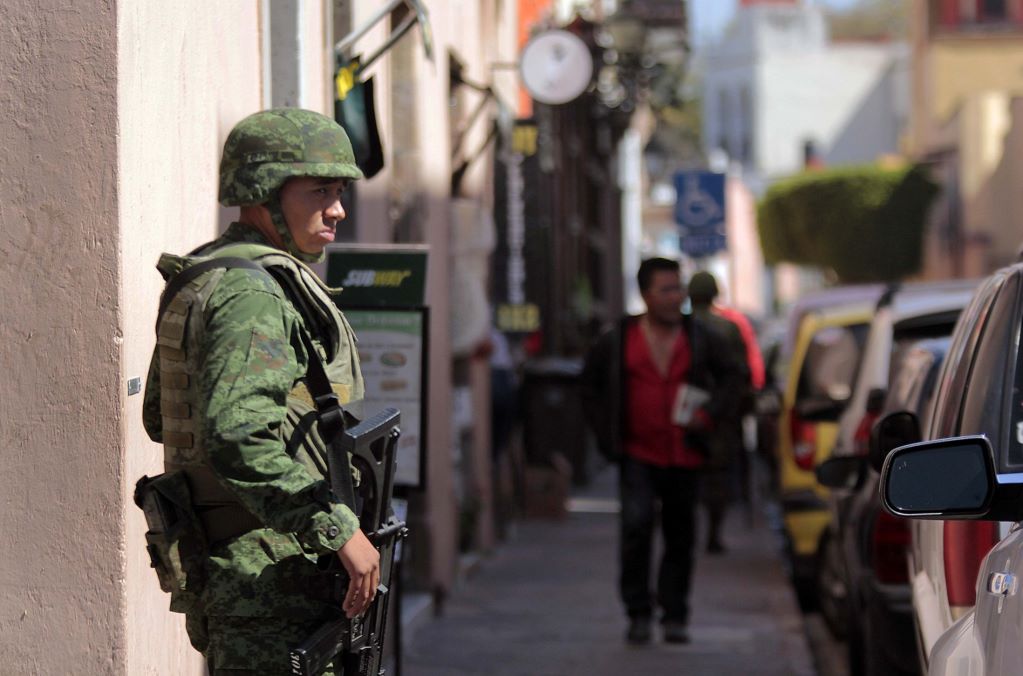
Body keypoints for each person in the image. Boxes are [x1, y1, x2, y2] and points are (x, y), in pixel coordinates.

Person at [142, 108, 380, 675]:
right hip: (273, 582)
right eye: (320, 190)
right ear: (262, 193)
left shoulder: (207, 274)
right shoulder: (253, 295)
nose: (338, 208)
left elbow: (162, 416)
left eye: (340, 190)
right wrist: (337, 529)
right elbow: (236, 436)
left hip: (248, 575)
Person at [580, 258, 741, 646]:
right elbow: (590, 386)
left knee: (680, 535)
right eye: (667, 290)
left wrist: (709, 413)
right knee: (635, 529)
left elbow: (735, 377)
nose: (676, 297)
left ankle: (675, 615)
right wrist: (607, 435)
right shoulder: (618, 338)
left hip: (684, 452)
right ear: (646, 295)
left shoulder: (699, 336)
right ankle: (638, 612)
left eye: (678, 288)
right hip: (637, 452)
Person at [687, 271, 752, 554]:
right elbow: (741, 373)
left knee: (686, 476)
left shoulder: (681, 327)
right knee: (718, 478)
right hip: (722, 414)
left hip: (686, 410)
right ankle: (713, 534)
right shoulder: (728, 328)